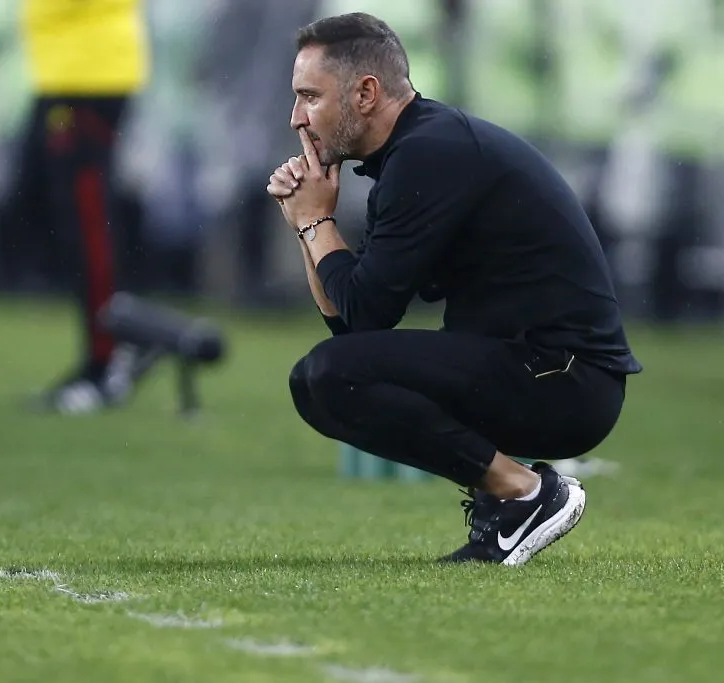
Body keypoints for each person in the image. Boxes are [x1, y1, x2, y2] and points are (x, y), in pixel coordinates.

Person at [267, 13, 642, 565]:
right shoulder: (415, 151)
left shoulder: (428, 154)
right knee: (325, 374)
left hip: (565, 378)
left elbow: (363, 321)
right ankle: (510, 502)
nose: (297, 117)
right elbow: (348, 321)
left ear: (366, 92)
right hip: (543, 369)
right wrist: (308, 223)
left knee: (327, 374)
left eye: (309, 97)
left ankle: (525, 493)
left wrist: (314, 224)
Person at [8, 0, 150, 415]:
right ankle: (107, 351)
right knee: (72, 223)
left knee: (88, 227)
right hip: (71, 71)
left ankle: (108, 361)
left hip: (89, 74)